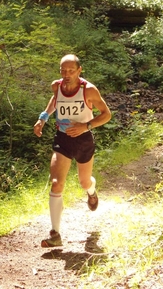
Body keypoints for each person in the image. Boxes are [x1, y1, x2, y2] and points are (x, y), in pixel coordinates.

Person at [33, 54, 112, 248]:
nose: (66, 74)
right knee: (56, 183)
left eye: (71, 71)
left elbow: (106, 115)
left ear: (79, 70)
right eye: (63, 71)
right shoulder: (57, 86)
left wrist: (86, 126)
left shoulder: (89, 90)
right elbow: (55, 100)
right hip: (63, 139)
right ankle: (55, 234)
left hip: (83, 139)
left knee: (84, 182)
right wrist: (43, 118)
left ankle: (91, 193)